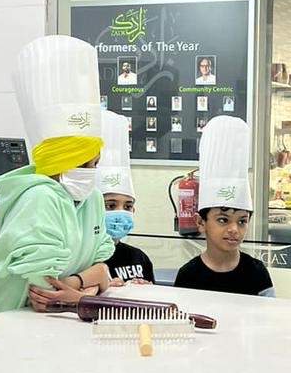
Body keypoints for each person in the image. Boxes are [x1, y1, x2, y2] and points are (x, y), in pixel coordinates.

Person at [0, 36, 115, 317]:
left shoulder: (92, 199)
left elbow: (103, 267)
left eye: (95, 163)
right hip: (2, 321)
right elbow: (45, 293)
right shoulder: (39, 197)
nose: (91, 173)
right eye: (82, 163)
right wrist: (90, 283)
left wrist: (78, 287)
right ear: (59, 161)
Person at [175, 117, 274, 297]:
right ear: (201, 222)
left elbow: (269, 312)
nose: (234, 229)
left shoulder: (257, 273)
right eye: (223, 220)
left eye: (242, 221)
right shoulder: (189, 275)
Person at [98, 110, 155, 285]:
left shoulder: (139, 258)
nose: (120, 213)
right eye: (110, 205)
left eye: (128, 206)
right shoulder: (81, 261)